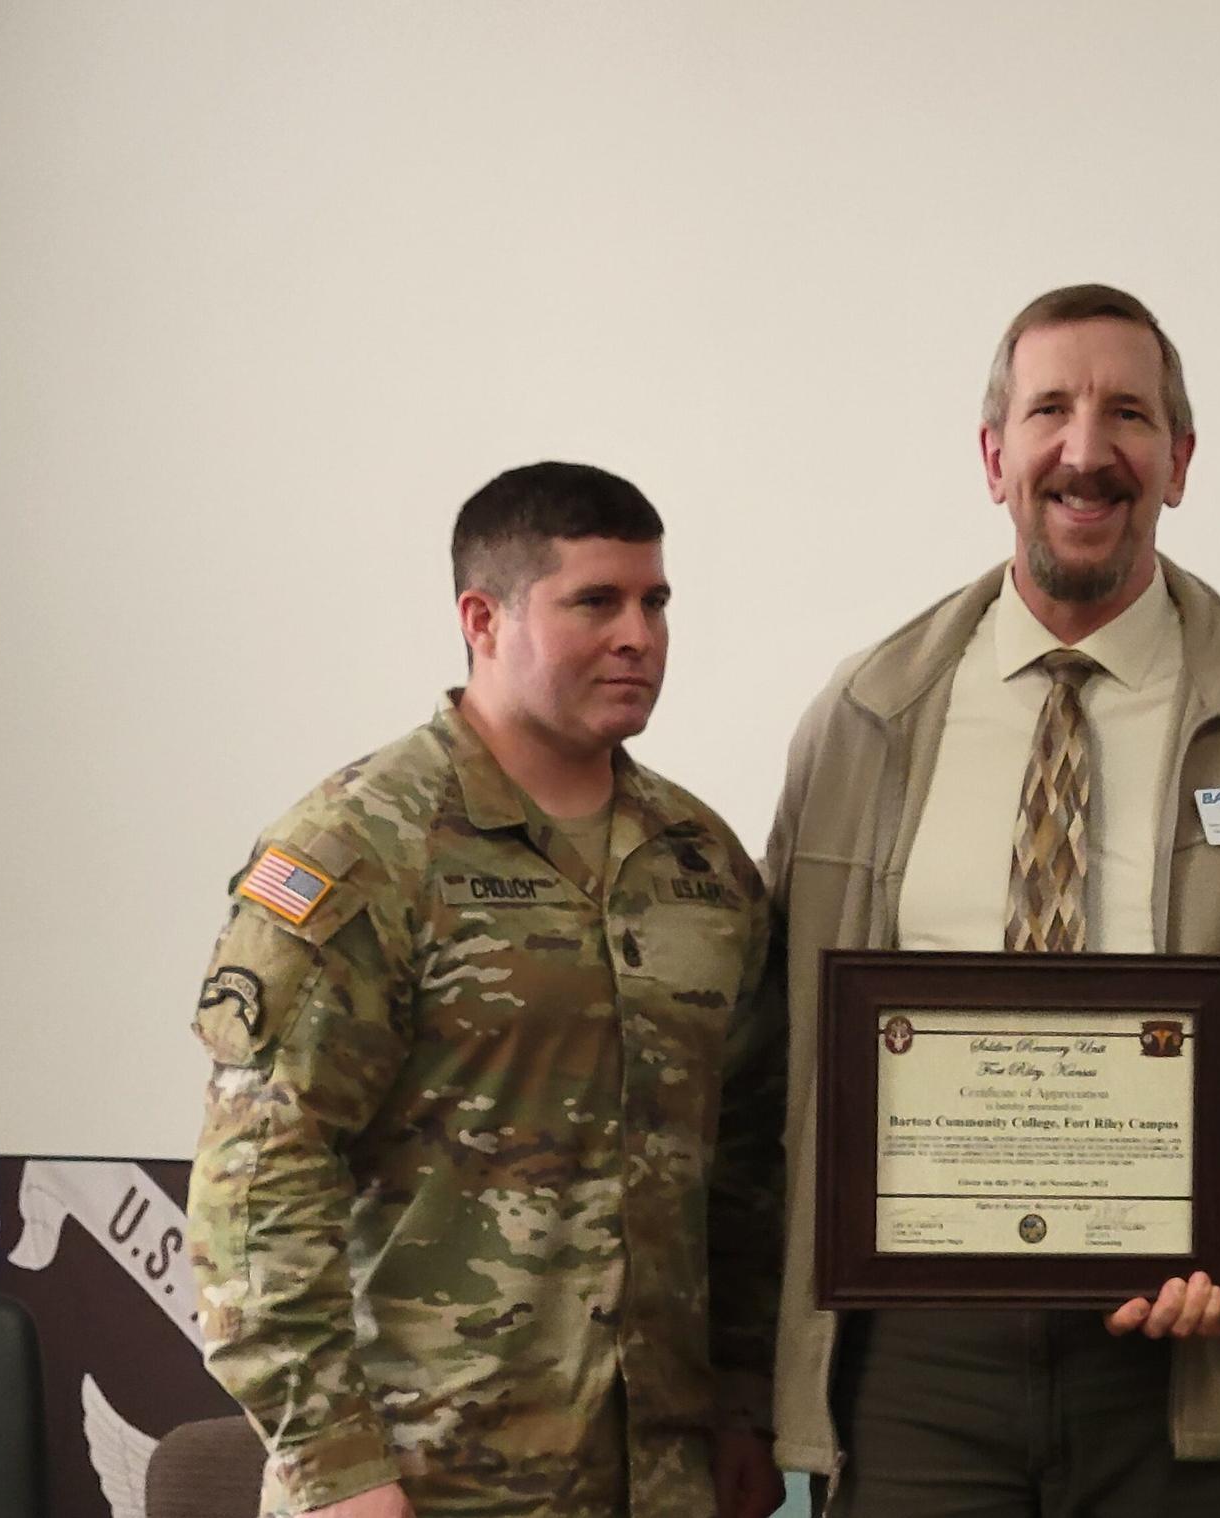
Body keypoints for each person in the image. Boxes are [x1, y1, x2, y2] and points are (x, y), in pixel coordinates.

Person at [762, 284, 1220, 1516]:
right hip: (914, 1371)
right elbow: (766, 1062)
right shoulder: (861, 718)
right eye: (1048, 408)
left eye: (1128, 413)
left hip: (1209, 1374)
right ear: (992, 453)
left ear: (1177, 460)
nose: (1084, 446)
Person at [186, 462, 786, 1518]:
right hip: (425, 1479)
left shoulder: (700, 866)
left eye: (654, 601)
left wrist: (742, 1405)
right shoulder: (362, 848)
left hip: (661, 1479)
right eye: (594, 602)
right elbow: (260, 1184)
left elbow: (740, 1165)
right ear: (483, 618)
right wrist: (335, 1470)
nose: (638, 634)